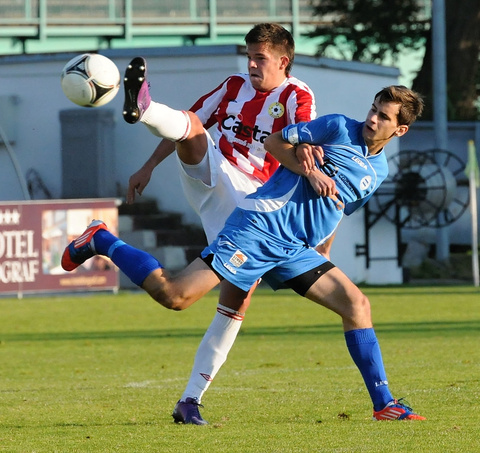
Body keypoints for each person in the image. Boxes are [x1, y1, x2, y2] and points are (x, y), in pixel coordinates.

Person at [62, 85, 426, 422]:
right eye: (373, 109)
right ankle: (102, 240)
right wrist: (307, 169)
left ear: (400, 130)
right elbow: (275, 143)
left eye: (384, 116)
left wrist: (323, 252)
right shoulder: (337, 128)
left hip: (295, 249)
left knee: (357, 305)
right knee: (175, 296)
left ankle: (384, 404)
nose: (372, 119)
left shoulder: (378, 172)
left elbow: (336, 210)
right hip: (259, 229)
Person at [122, 23, 327, 424]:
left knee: (233, 301)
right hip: (217, 176)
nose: (251, 64)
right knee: (194, 130)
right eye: (249, 56)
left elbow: (306, 137)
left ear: (283, 61)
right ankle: (145, 107)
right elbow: (190, 120)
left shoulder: (297, 95)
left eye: (260, 58)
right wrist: (148, 166)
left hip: (253, 206)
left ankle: (189, 400)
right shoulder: (233, 86)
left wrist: (308, 157)